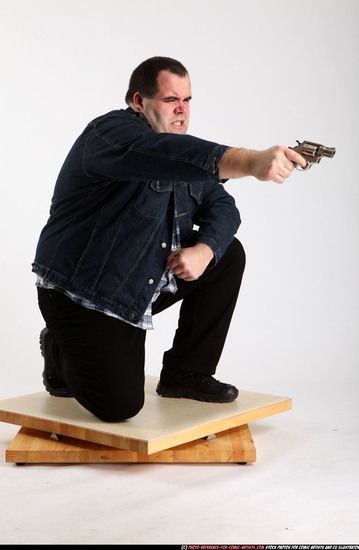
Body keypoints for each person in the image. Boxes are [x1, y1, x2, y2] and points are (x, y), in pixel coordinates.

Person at [33, 56, 306, 422]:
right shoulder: (110, 134)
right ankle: (59, 348)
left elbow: (224, 209)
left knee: (227, 255)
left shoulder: (180, 155)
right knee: (119, 406)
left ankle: (185, 373)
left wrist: (205, 250)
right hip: (81, 293)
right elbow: (164, 155)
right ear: (138, 101)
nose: (182, 109)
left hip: (135, 285)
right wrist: (252, 161)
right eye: (170, 99)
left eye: (188, 100)